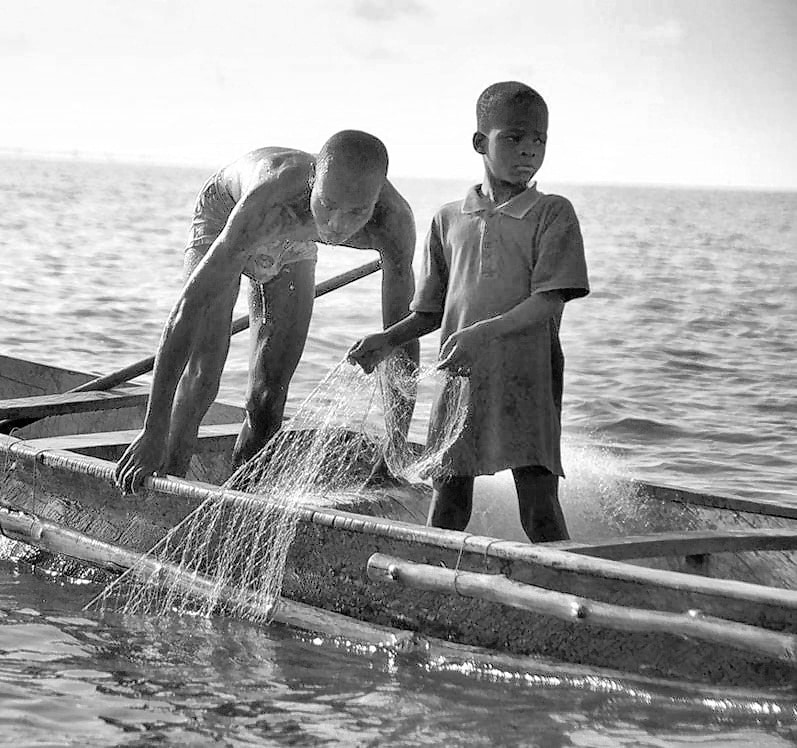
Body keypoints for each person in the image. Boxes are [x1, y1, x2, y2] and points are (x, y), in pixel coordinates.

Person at [347, 82, 589, 543]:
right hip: (461, 380)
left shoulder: (552, 214)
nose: (529, 152)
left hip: (527, 378)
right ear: (481, 143)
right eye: (514, 139)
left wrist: (480, 334)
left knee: (538, 502)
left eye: (539, 141)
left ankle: (563, 582)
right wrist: (386, 339)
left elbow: (548, 301)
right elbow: (431, 312)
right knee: (450, 497)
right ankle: (435, 586)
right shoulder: (447, 220)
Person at [114, 130, 418, 493]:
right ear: (313, 183)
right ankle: (170, 480)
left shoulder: (394, 223)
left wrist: (396, 445)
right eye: (328, 204)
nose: (337, 225)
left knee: (269, 396)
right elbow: (189, 310)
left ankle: (243, 496)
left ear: (376, 200)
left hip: (295, 240)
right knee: (203, 375)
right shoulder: (270, 199)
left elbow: (401, 339)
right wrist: (152, 429)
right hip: (227, 213)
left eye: (357, 212)